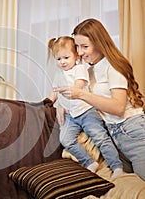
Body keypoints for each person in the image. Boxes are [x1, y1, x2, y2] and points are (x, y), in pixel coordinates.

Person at [55, 18, 145, 180]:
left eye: (85, 47)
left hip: (132, 131)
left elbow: (118, 108)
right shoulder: (88, 71)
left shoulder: (113, 67)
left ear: (99, 44)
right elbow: (81, 98)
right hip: (113, 136)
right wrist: (62, 104)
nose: (80, 52)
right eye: (77, 47)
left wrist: (81, 94)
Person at [48, 36, 124, 178]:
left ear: (76, 55)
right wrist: (48, 102)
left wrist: (74, 91)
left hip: (86, 111)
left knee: (100, 138)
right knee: (65, 140)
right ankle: (89, 162)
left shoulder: (80, 69)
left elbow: (79, 85)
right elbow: (54, 91)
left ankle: (117, 166)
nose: (62, 62)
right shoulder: (58, 74)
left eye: (66, 57)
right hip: (70, 115)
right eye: (58, 59)